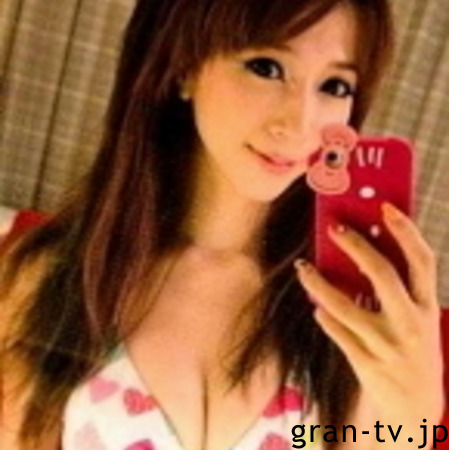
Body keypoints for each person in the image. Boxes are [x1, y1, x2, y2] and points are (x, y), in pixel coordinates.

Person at [1, 0, 446, 449]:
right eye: (266, 68)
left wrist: (415, 418)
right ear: (185, 66)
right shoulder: (53, 274)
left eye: (334, 86)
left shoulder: (346, 303)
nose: (300, 122)